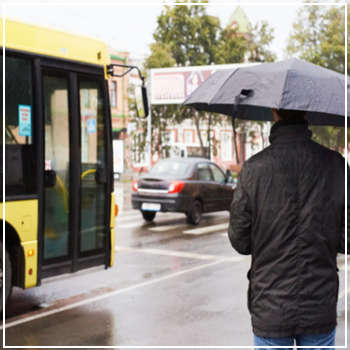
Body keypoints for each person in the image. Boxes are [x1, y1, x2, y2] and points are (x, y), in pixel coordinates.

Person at [228, 108, 347, 349]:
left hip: (270, 304)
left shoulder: (254, 168)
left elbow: (240, 241)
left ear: (274, 112)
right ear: (307, 112)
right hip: (319, 303)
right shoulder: (336, 165)